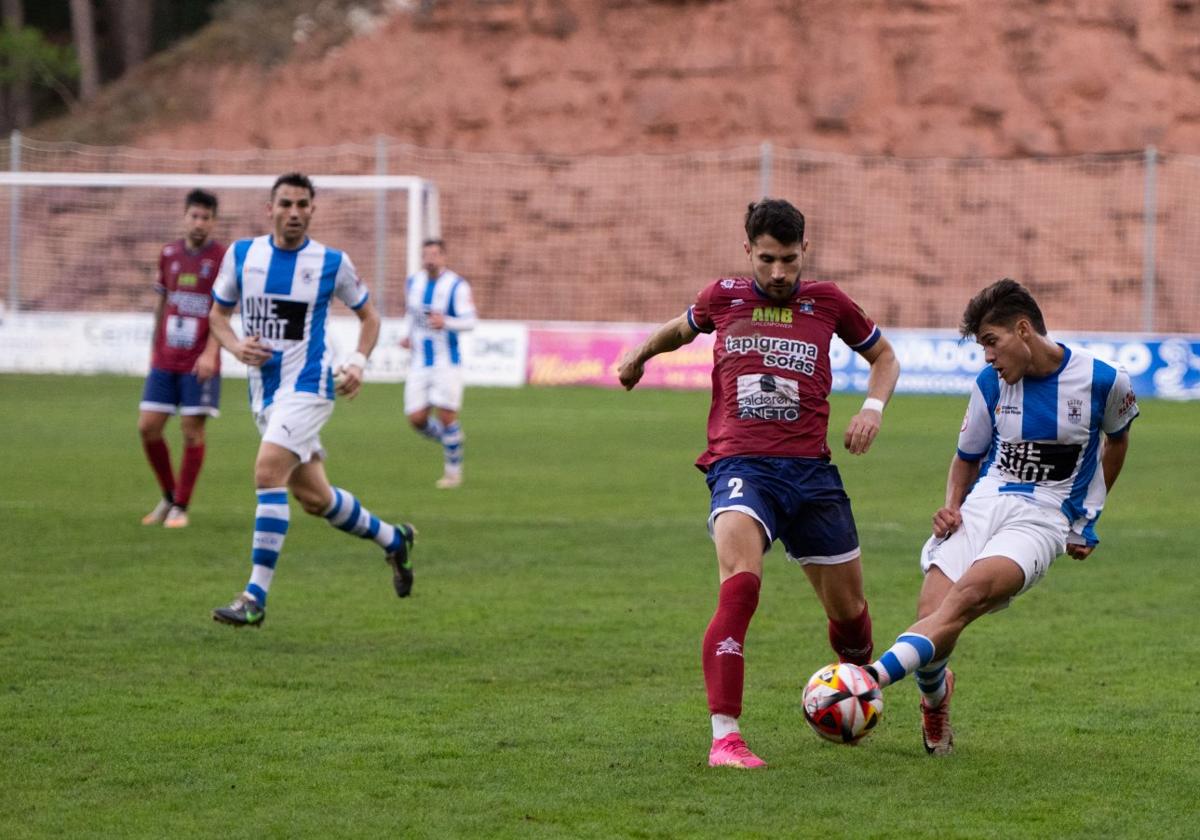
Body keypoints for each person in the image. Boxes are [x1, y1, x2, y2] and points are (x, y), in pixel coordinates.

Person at [617, 198, 900, 769]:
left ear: (804, 252)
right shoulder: (722, 296)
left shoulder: (829, 302)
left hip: (812, 474)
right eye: (767, 259)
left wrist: (872, 408)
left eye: (789, 260)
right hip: (740, 468)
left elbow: (885, 357)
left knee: (853, 626)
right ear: (748, 249)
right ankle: (726, 738)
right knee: (740, 588)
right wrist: (638, 356)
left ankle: (854, 689)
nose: (777, 273)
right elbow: (680, 328)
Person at [864, 278, 1138, 755]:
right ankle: (936, 700)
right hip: (986, 502)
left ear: (1023, 329)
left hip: (1044, 516)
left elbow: (1117, 441)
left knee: (965, 599)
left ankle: (866, 681)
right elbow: (967, 457)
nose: (987, 356)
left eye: (991, 342)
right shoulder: (989, 384)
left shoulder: (1104, 381)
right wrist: (952, 504)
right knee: (932, 615)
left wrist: (1088, 515)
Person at [207, 172, 415, 628]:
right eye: (286, 204)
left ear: (313, 210)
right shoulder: (242, 256)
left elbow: (370, 317)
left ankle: (254, 597)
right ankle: (395, 540)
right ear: (270, 209)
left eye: (303, 205)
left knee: (267, 471)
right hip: (265, 393)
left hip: (310, 386)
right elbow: (218, 316)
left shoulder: (330, 262)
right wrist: (236, 346)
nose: (295, 213)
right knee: (315, 499)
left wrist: (358, 361)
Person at [138, 189, 226, 529]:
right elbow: (162, 303)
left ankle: (181, 506)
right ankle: (169, 495)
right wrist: (153, 347)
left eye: (206, 217)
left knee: (191, 432)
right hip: (165, 358)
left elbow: (225, 310)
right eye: (194, 216)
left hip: (199, 361)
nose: (199, 223)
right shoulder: (169, 253)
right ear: (185, 217)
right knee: (148, 427)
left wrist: (211, 353)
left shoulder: (221, 258)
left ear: (214, 221)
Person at [400, 239, 477, 489]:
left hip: (447, 361)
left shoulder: (457, 286)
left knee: (446, 416)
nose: (430, 259)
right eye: (426, 255)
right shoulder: (414, 283)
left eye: (435, 254)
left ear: (444, 257)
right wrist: (406, 334)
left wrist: (447, 323)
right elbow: (411, 314)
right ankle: (452, 439)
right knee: (416, 419)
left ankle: (453, 473)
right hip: (420, 361)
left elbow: (470, 322)